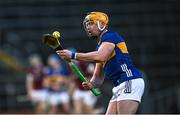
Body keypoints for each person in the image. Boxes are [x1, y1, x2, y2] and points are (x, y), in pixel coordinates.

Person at [56, 11, 145, 114]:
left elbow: (101, 56)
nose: (88, 27)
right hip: (119, 86)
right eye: (86, 25)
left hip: (130, 80)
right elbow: (98, 78)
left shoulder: (110, 36)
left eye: (91, 23)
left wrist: (73, 55)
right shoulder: (100, 47)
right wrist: (91, 84)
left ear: (101, 24)